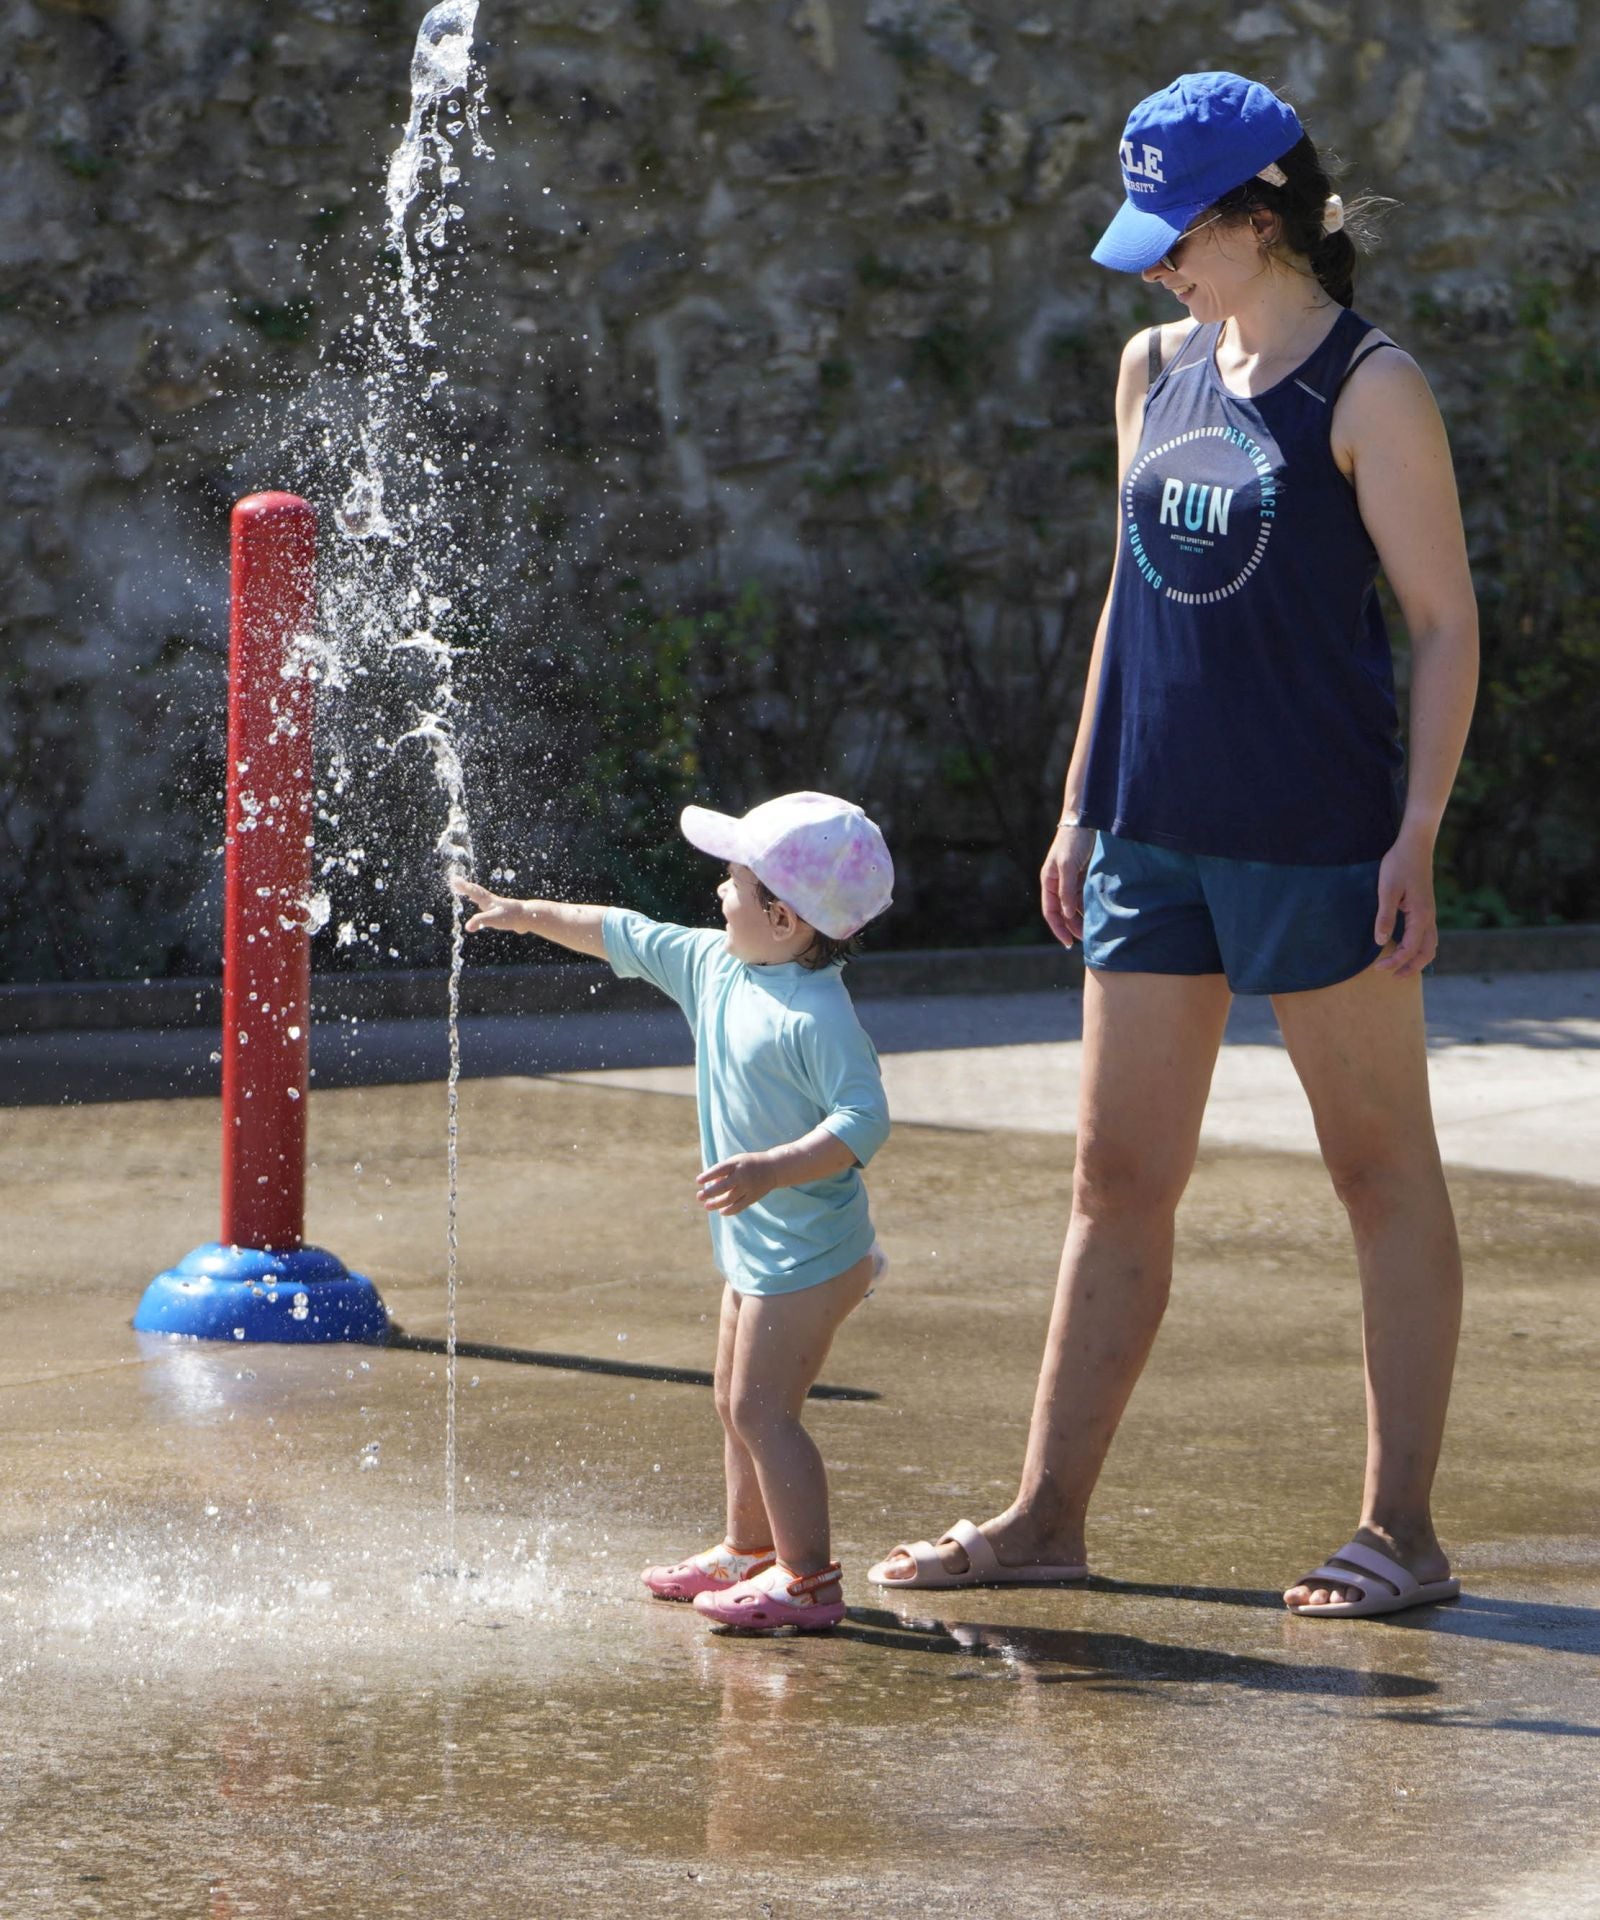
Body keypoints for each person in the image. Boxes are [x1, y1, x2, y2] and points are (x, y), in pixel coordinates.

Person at [869, 72, 1478, 1619]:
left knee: (1376, 1170)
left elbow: (1444, 624)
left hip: (1322, 836)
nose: (1154, 267)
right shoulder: (1155, 367)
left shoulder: (1370, 385)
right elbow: (1130, 603)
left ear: (1260, 218)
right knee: (1116, 1175)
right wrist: (1085, 800)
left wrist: (1415, 832)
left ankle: (1399, 1529)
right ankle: (1045, 1516)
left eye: (1177, 235)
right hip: (1153, 831)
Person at [453, 791, 893, 1634]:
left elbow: (864, 1120)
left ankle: (807, 1582)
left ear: (784, 917)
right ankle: (746, 1549)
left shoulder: (817, 1015)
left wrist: (775, 1167)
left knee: (766, 1410)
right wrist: (524, 914)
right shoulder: (715, 964)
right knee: (734, 1402)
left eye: (733, 880)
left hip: (811, 1254)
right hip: (759, 1246)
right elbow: (616, 928)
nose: (718, 893)